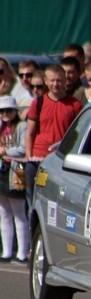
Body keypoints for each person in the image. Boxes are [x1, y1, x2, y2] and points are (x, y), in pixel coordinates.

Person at [24, 64, 82, 210]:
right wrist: (29, 156)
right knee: (34, 198)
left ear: (65, 81)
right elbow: (30, 133)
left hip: (61, 160)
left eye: (59, 80)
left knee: (58, 200)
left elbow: (79, 134)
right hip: (39, 160)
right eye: (52, 80)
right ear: (45, 81)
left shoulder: (75, 105)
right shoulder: (38, 102)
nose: (56, 84)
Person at [0, 96, 27, 263]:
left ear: (15, 111)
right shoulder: (1, 126)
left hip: (16, 171)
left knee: (19, 213)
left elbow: (24, 149)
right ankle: (7, 251)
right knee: (3, 213)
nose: (5, 114)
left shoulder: (21, 126)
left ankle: (22, 253)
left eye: (8, 110)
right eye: (1, 111)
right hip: (2, 171)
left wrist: (6, 152)